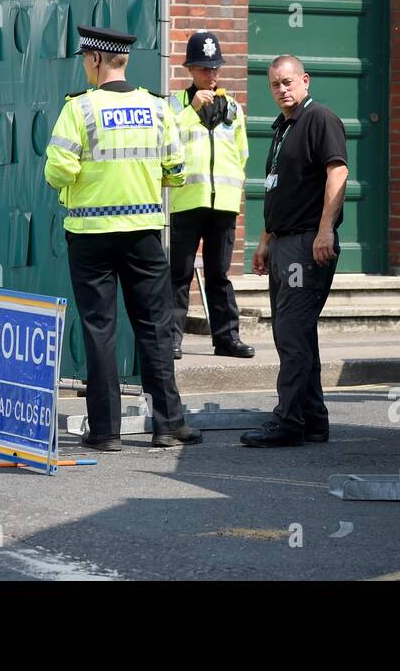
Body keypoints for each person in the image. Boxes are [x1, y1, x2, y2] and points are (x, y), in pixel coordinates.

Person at [44, 25, 202, 451]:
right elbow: (177, 169)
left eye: (83, 58)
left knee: (100, 330)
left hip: (91, 235)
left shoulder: (79, 109)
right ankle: (168, 424)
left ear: (96, 59)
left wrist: (73, 188)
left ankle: (106, 432)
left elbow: (58, 170)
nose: (83, 65)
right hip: (145, 235)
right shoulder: (156, 107)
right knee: (154, 327)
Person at [241, 55, 348, 448]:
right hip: (284, 242)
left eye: (288, 82)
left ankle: (287, 419)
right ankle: (313, 420)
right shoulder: (283, 128)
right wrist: (265, 241)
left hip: (307, 243)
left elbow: (338, 173)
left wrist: (324, 232)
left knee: (291, 332)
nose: (282, 90)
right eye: (275, 85)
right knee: (298, 333)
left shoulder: (319, 119)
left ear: (304, 80)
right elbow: (278, 188)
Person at [167, 30, 255, 360]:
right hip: (187, 200)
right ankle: (172, 339)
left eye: (215, 68)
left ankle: (226, 339)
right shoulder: (175, 106)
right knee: (179, 275)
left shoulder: (233, 107)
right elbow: (167, 141)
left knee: (219, 275)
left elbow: (242, 153)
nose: (211, 74)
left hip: (224, 205)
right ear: (190, 69)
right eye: (205, 68)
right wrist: (191, 109)